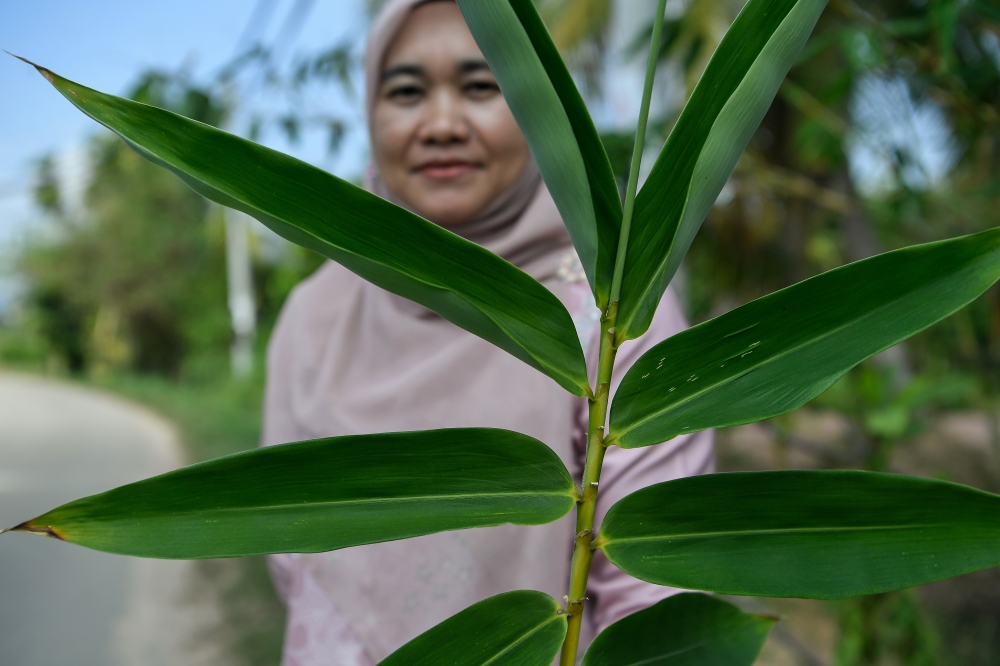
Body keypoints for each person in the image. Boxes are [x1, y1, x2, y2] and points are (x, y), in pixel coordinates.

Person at [260, 0, 714, 663]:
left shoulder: (613, 316)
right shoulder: (319, 312)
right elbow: (284, 540)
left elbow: (656, 590)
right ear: (371, 111)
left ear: (539, 112)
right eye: (407, 92)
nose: (441, 125)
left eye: (482, 87)